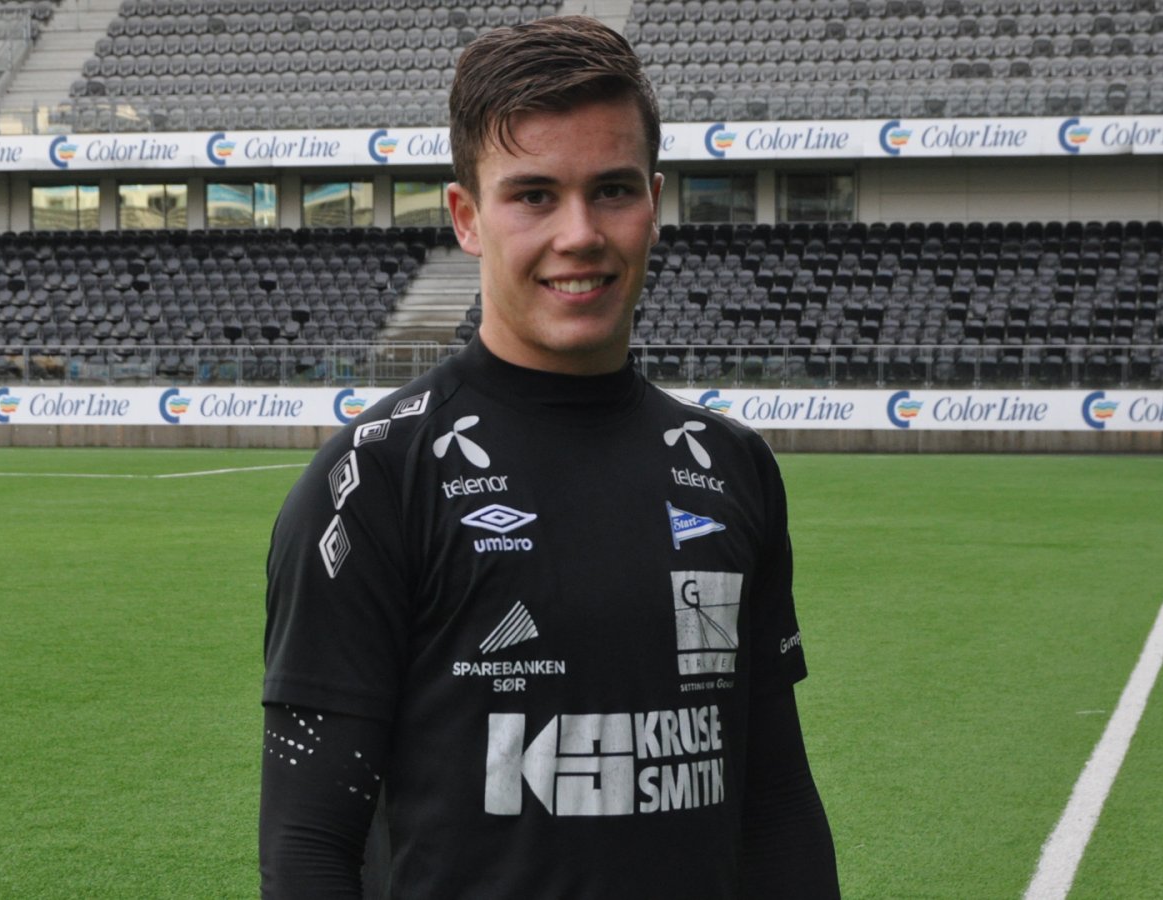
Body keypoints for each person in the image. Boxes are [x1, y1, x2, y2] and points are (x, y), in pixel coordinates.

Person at [259, 16, 839, 898]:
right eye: (533, 195)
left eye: (612, 190)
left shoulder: (731, 466)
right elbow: (307, 847)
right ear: (467, 217)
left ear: (653, 202)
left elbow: (778, 803)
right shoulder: (372, 479)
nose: (580, 234)